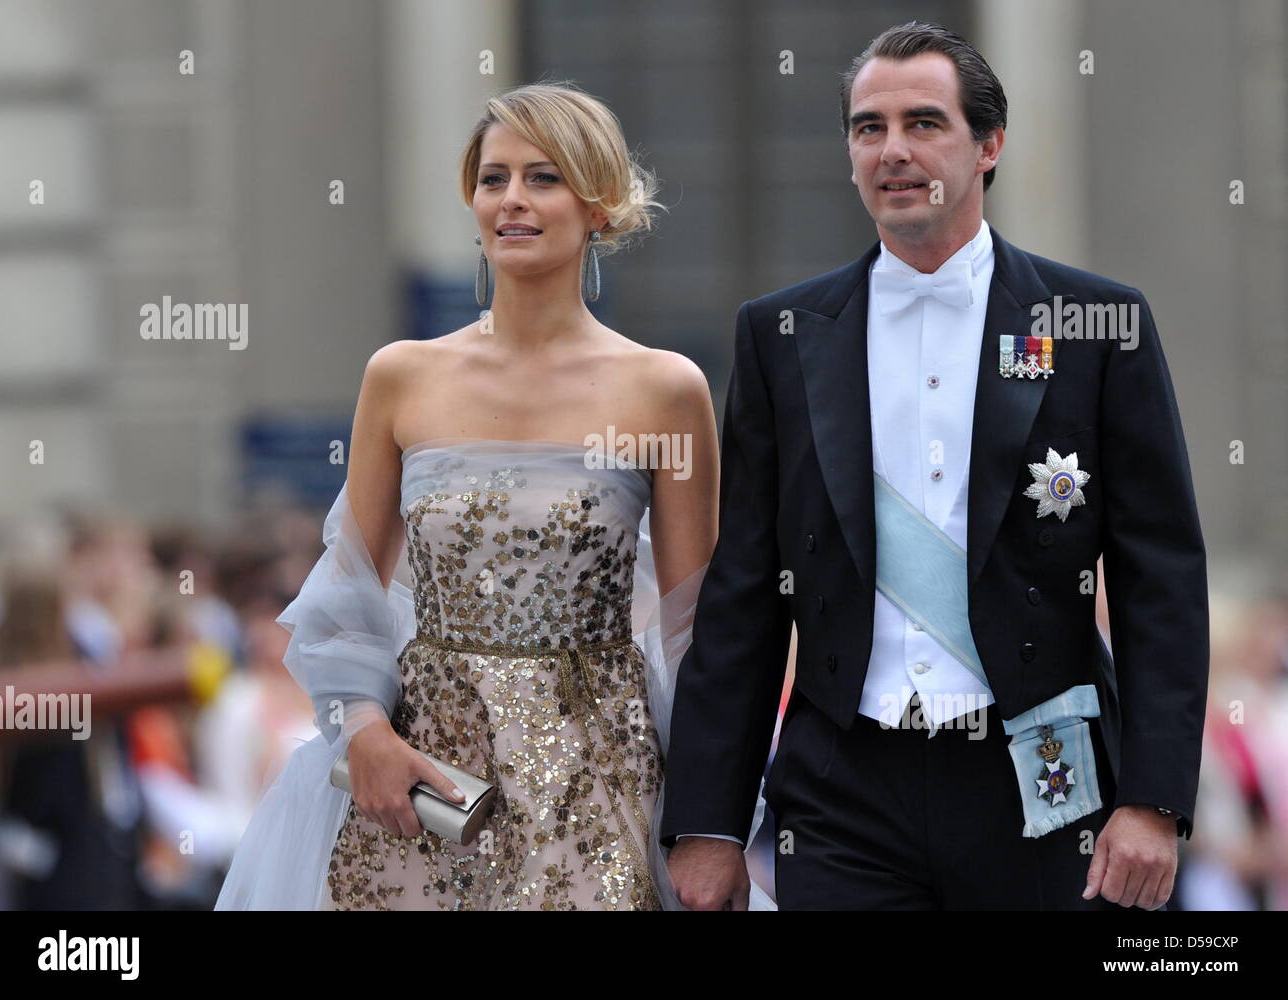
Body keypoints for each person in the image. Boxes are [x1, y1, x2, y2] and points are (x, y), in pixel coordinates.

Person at [660, 21, 1209, 910]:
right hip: (843, 789)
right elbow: (747, 590)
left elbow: (1161, 579)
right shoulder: (782, 335)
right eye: (868, 128)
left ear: (989, 145)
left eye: (924, 123)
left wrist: (1153, 800)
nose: (894, 151)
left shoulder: (1095, 323)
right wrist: (710, 820)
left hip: (1041, 778)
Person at [215, 82, 775, 910]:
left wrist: (710, 819)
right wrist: (364, 731)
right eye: (494, 178)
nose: (512, 199)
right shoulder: (402, 376)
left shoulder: (666, 390)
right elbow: (349, 586)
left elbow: (698, 633)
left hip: (596, 777)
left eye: (543, 178)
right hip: (425, 777)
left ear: (600, 205)